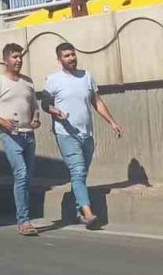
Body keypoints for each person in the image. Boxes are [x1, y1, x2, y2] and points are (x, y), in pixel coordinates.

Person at [42, 42, 124, 228]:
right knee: (77, 171)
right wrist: (55, 111)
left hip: (87, 134)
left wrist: (112, 122)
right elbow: (45, 103)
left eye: (73, 54)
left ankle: (76, 211)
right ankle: (89, 215)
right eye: (66, 56)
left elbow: (97, 102)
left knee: (80, 174)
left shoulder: (86, 76)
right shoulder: (54, 80)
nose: (71, 58)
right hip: (66, 133)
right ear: (59, 60)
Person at [0, 42, 41, 236]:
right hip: (10, 136)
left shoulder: (28, 82)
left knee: (27, 177)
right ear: (5, 60)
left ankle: (24, 215)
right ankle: (23, 221)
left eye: (20, 56)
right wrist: (3, 122)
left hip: (28, 135)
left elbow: (35, 107)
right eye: (15, 57)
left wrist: (36, 119)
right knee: (21, 174)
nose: (19, 60)